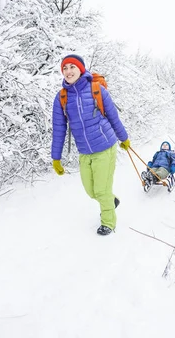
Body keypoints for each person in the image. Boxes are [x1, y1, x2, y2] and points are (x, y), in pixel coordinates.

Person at [51, 54, 130, 236]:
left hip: (105, 145)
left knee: (102, 190)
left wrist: (123, 138)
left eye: (72, 67)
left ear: (81, 69)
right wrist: (56, 158)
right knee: (91, 191)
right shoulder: (61, 97)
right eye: (65, 68)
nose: (68, 71)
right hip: (84, 151)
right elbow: (59, 129)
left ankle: (108, 222)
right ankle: (111, 201)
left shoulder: (96, 90)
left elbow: (112, 116)